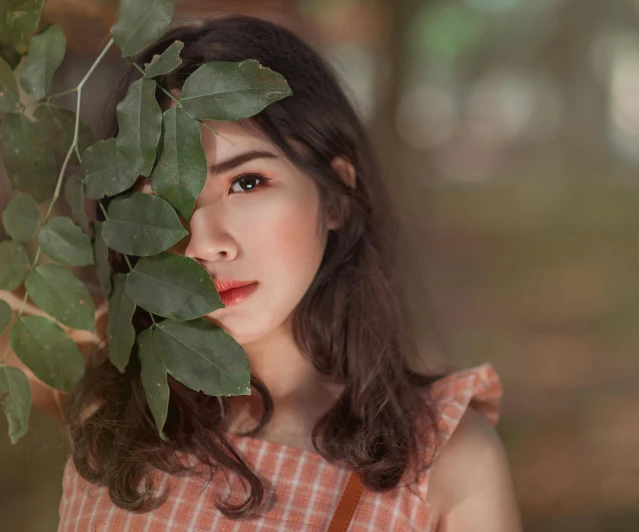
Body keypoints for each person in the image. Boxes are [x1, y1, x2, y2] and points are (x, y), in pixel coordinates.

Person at [1, 15, 522, 531]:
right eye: (164, 201)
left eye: (247, 183)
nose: (206, 244)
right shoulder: (99, 386)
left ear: (336, 197)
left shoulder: (443, 462)